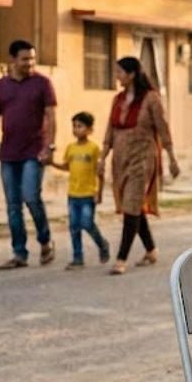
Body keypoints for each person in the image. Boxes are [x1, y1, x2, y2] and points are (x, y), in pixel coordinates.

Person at [0, 40, 57, 269]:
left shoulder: (42, 83)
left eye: (32, 58)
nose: (30, 63)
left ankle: (45, 240)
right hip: (9, 154)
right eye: (25, 59)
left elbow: (51, 117)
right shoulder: (0, 87)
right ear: (13, 60)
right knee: (13, 205)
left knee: (31, 197)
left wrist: (49, 147)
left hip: (34, 151)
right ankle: (19, 253)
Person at [97, 56, 179, 275]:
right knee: (131, 204)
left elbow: (162, 127)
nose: (117, 77)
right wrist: (102, 157)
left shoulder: (151, 98)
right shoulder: (118, 99)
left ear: (131, 74)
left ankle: (121, 258)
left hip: (143, 158)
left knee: (132, 203)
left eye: (120, 73)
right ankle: (151, 249)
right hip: (120, 160)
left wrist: (172, 157)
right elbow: (109, 131)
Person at [52, 112, 110, 269]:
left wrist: (99, 192)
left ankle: (102, 244)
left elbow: (100, 173)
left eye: (80, 126)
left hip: (88, 194)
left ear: (90, 129)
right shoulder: (70, 148)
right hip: (73, 194)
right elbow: (66, 166)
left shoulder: (93, 149)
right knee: (74, 226)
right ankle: (78, 257)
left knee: (87, 223)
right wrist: (51, 163)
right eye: (74, 127)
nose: (76, 130)